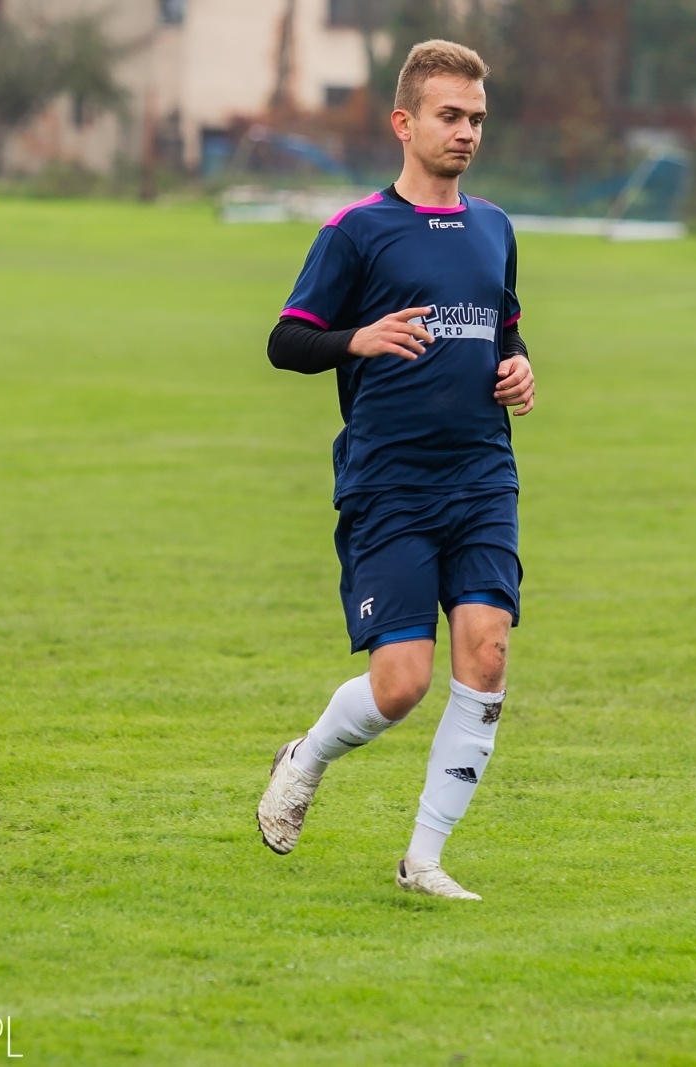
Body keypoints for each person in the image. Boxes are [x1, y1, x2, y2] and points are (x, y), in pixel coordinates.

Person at [257, 39, 536, 899]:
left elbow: (504, 323)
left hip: (483, 472)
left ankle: (424, 858)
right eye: (451, 117)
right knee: (402, 683)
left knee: (485, 653)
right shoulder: (356, 232)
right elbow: (286, 340)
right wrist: (360, 338)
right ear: (404, 122)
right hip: (390, 482)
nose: (467, 133)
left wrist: (519, 364)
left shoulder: (494, 226)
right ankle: (305, 756)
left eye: (478, 119)